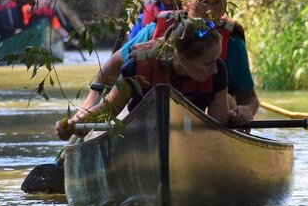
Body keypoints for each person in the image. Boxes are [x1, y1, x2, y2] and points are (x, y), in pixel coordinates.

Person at [82, 0, 260, 127]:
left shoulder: (233, 44)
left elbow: (249, 98)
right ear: (185, 3)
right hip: (149, 119)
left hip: (205, 120)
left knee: (228, 100)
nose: (209, 11)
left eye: (216, 4)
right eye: (203, 3)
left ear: (225, 8)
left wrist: (246, 110)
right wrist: (85, 109)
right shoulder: (153, 33)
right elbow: (110, 67)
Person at [55, 18, 228, 139]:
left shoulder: (218, 70)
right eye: (208, 63)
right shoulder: (138, 68)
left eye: (216, 60)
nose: (214, 69)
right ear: (182, 58)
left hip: (191, 141)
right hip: (142, 139)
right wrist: (74, 124)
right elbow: (109, 107)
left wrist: (239, 115)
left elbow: (218, 127)